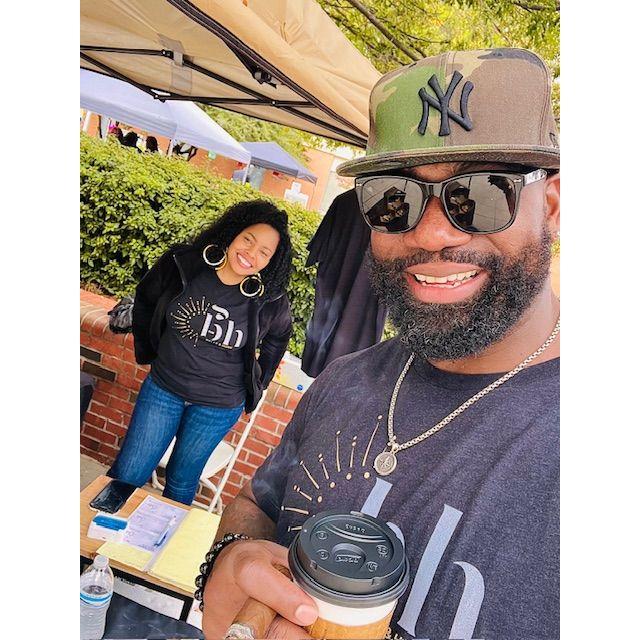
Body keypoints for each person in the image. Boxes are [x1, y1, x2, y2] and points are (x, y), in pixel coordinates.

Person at [198, 48, 560, 640]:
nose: (432, 233)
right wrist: (232, 560)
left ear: (552, 205)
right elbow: (261, 504)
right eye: (394, 198)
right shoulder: (344, 380)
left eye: (482, 194)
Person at [107, 200, 293, 505]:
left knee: (181, 481)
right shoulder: (184, 263)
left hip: (219, 405)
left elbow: (279, 336)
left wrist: (259, 380)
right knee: (128, 472)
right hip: (163, 388)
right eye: (248, 239)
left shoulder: (269, 299)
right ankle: (96, 534)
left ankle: (164, 537)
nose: (251, 254)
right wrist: (151, 349)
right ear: (233, 232)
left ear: (271, 261)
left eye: (264, 252)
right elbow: (147, 299)